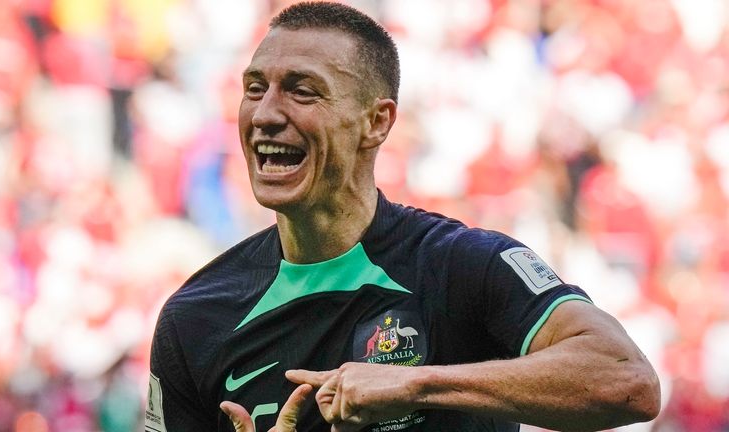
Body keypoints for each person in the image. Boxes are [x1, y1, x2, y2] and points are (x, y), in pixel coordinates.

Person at [144, 2, 660, 431]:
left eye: (302, 90)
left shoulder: (465, 265)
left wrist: (418, 384)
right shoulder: (194, 317)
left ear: (376, 122)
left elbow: (627, 380)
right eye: (255, 88)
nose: (265, 114)